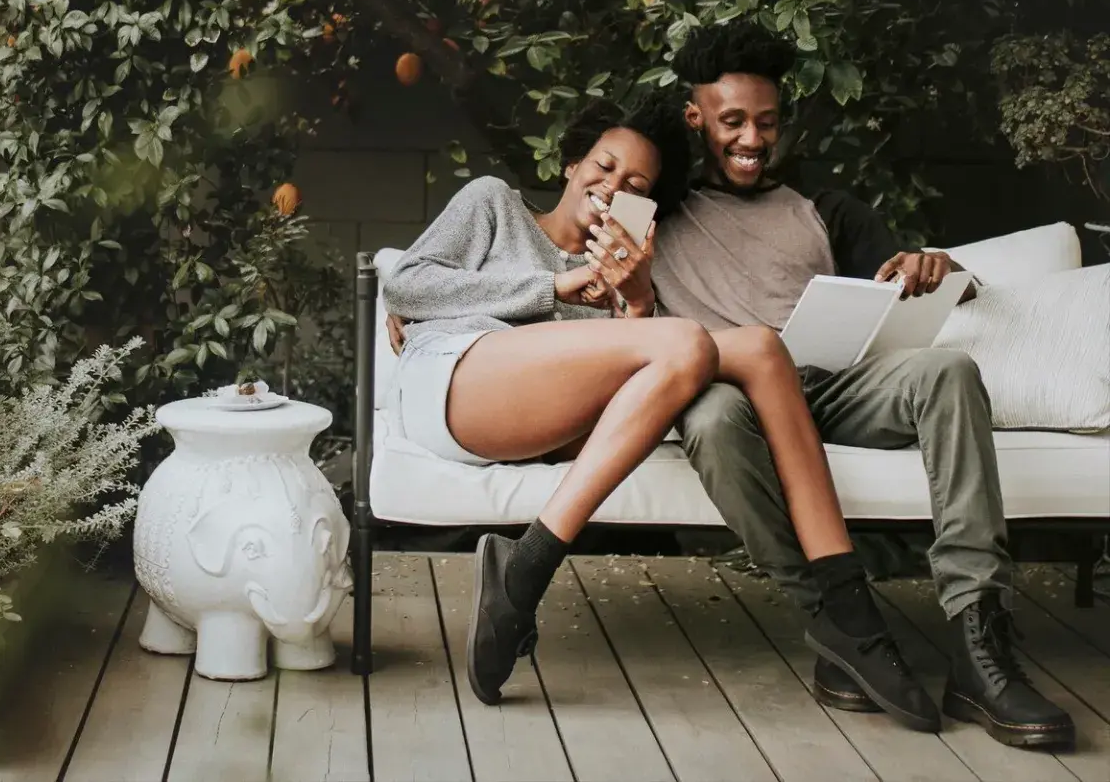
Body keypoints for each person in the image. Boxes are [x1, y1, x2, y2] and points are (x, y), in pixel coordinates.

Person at [382, 101, 932, 721]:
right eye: (604, 166)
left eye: (635, 187)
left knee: (758, 347)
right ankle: (527, 570)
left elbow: (639, 391)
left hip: (539, 427)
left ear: (644, 209)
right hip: (456, 381)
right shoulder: (496, 204)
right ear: (570, 165)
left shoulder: (619, 279)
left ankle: (848, 612)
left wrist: (636, 300)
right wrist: (551, 288)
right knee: (692, 340)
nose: (612, 187)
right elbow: (405, 284)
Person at [652, 22, 1073, 750]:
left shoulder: (824, 207)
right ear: (695, 118)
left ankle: (979, 641)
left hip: (830, 385)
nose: (753, 138)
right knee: (714, 417)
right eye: (732, 122)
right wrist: (421, 298)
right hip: (731, 399)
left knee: (947, 370)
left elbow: (930, 287)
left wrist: (933, 266)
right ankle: (840, 622)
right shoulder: (656, 207)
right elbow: (555, 242)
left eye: (766, 121)